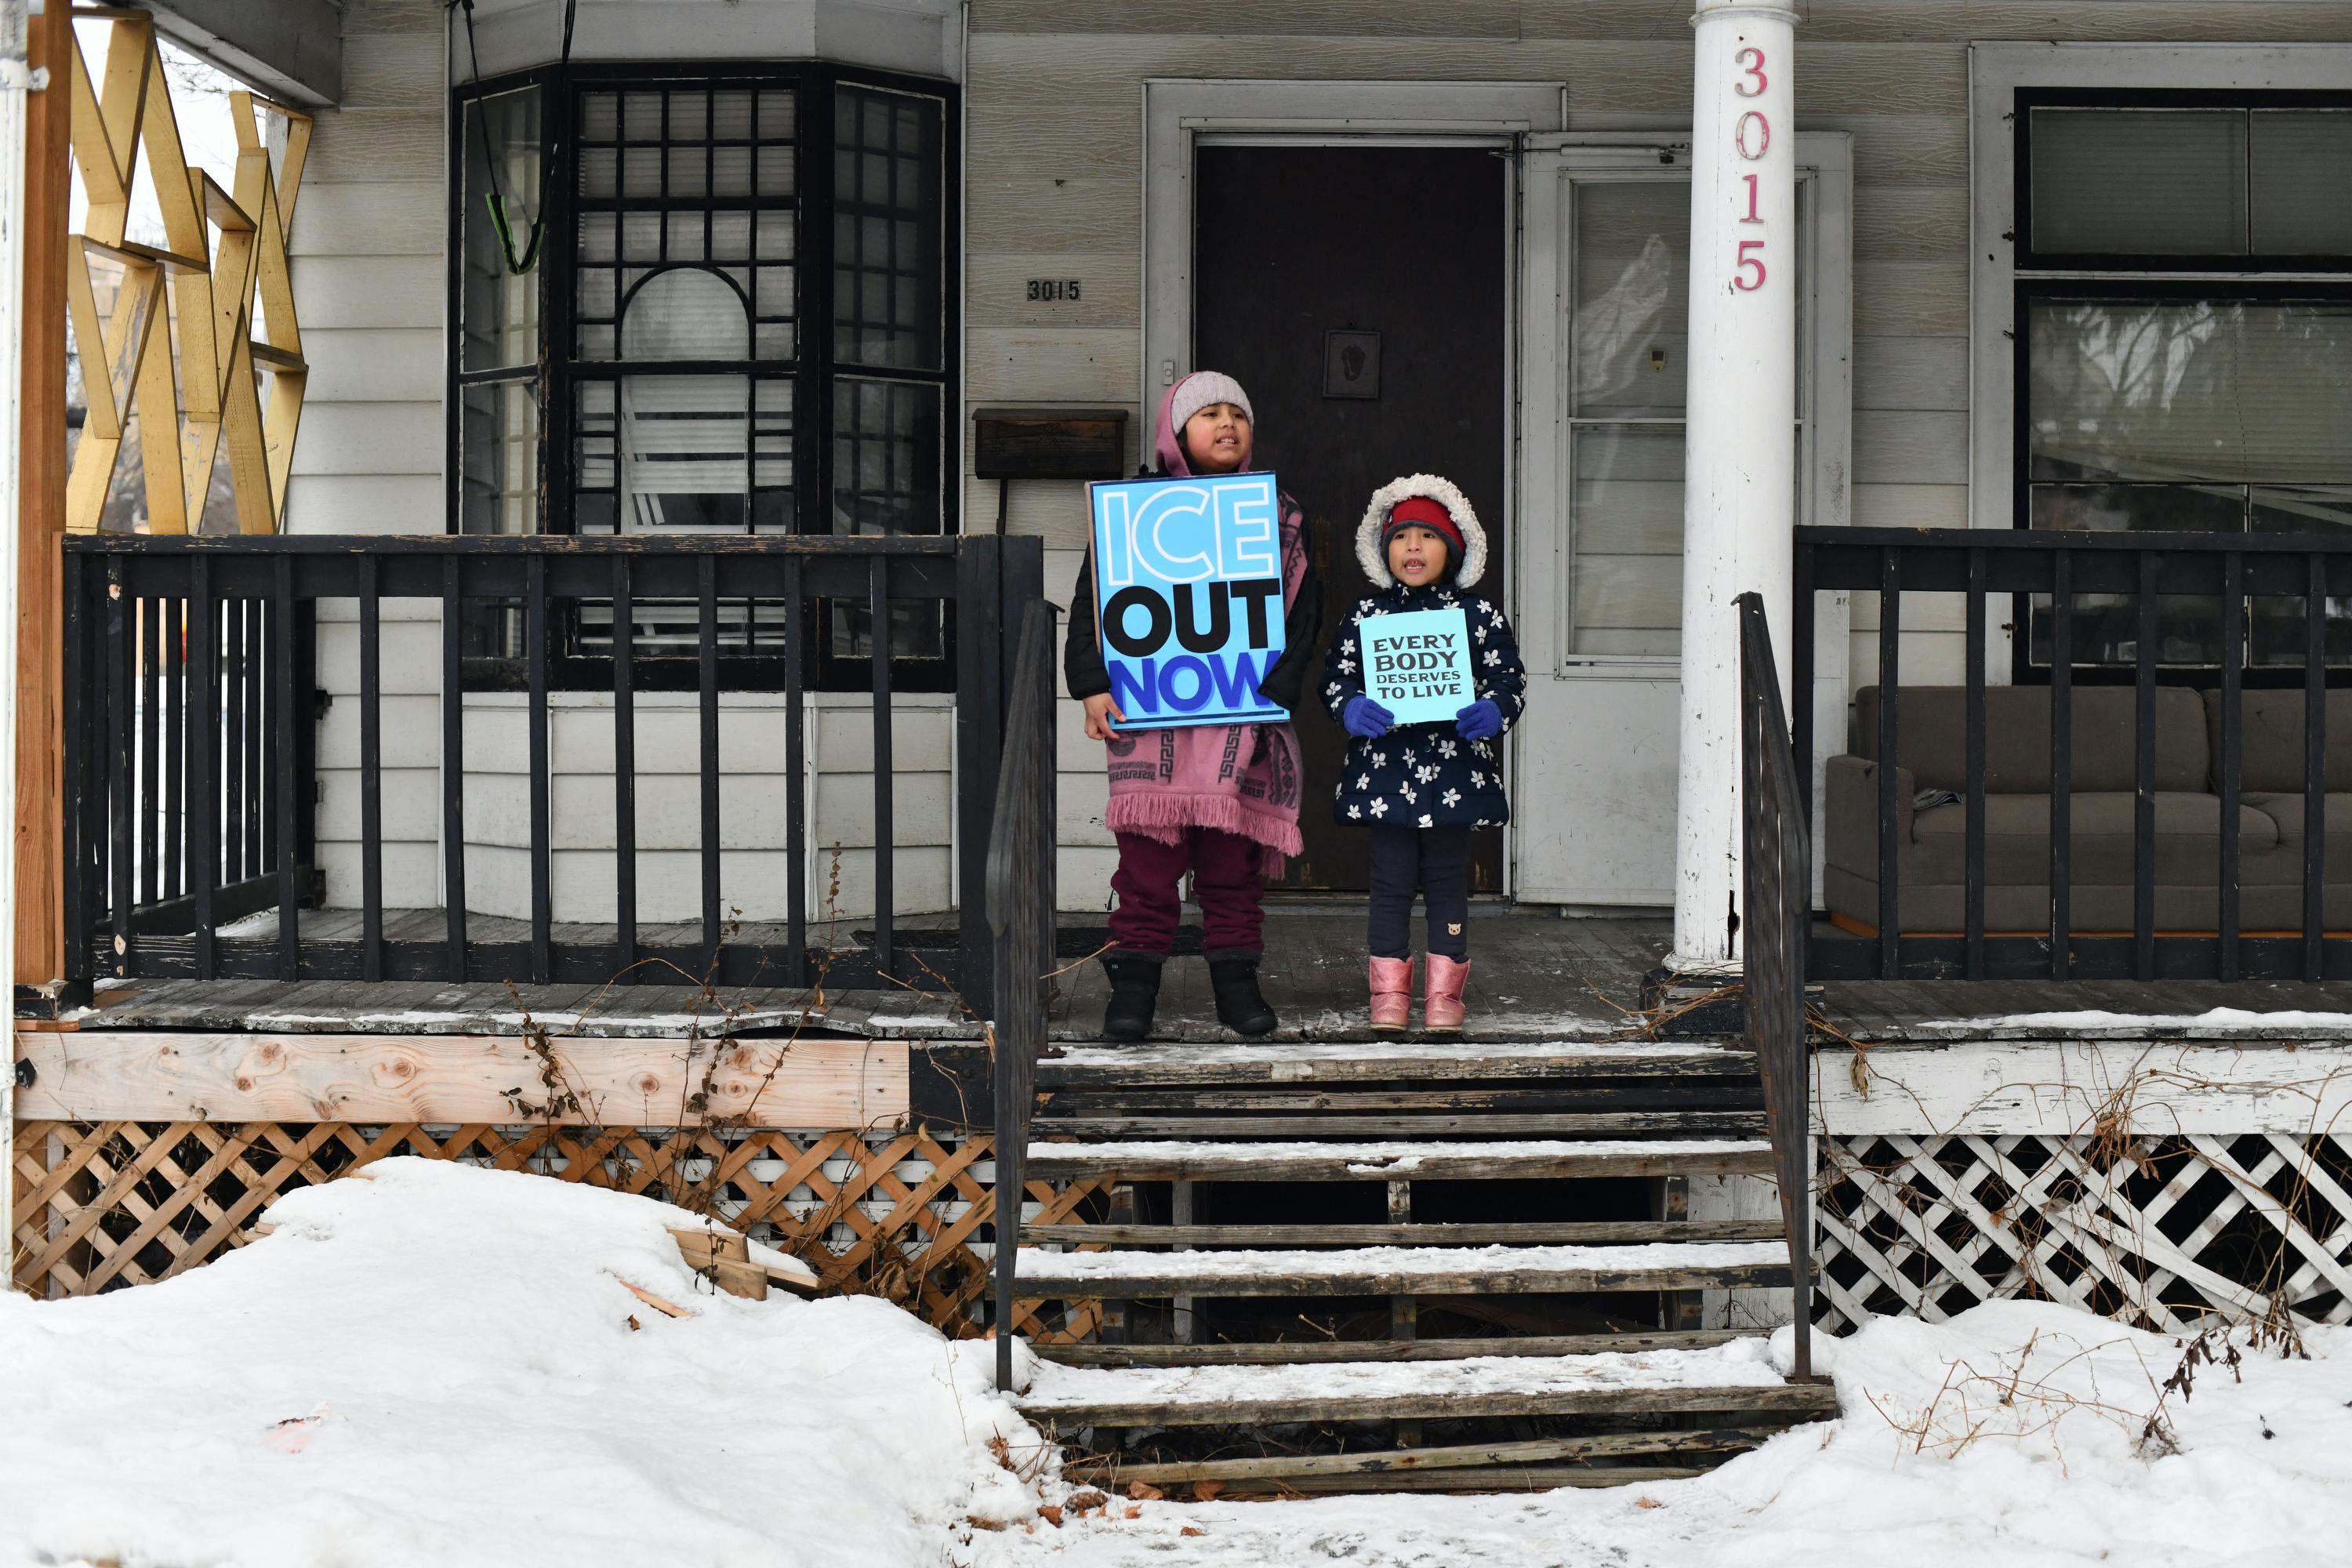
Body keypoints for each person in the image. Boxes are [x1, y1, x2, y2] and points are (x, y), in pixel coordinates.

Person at [1063, 372, 1321, 1041]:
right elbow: (1095, 602)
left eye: (1238, 411)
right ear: (1175, 432)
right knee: (1145, 871)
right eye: (1208, 413)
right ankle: (1135, 991)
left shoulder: (1279, 515)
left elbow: (1302, 614)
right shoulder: (1135, 514)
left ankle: (1237, 989)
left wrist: (1278, 691)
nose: (1227, 422)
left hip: (1241, 724)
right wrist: (1093, 686)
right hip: (1153, 729)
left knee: (1231, 872)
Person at [1321, 474, 1524, 1032]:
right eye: (1401, 536)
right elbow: (1336, 677)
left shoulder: (1479, 617)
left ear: (1455, 549)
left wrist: (1494, 709)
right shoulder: (1367, 615)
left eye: (1428, 537)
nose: (1413, 547)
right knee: (1389, 883)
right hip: (1388, 773)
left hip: (1454, 771)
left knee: (1446, 881)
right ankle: (1388, 994)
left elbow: (1509, 677)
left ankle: (1444, 995)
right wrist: (1351, 707)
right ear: (1382, 550)